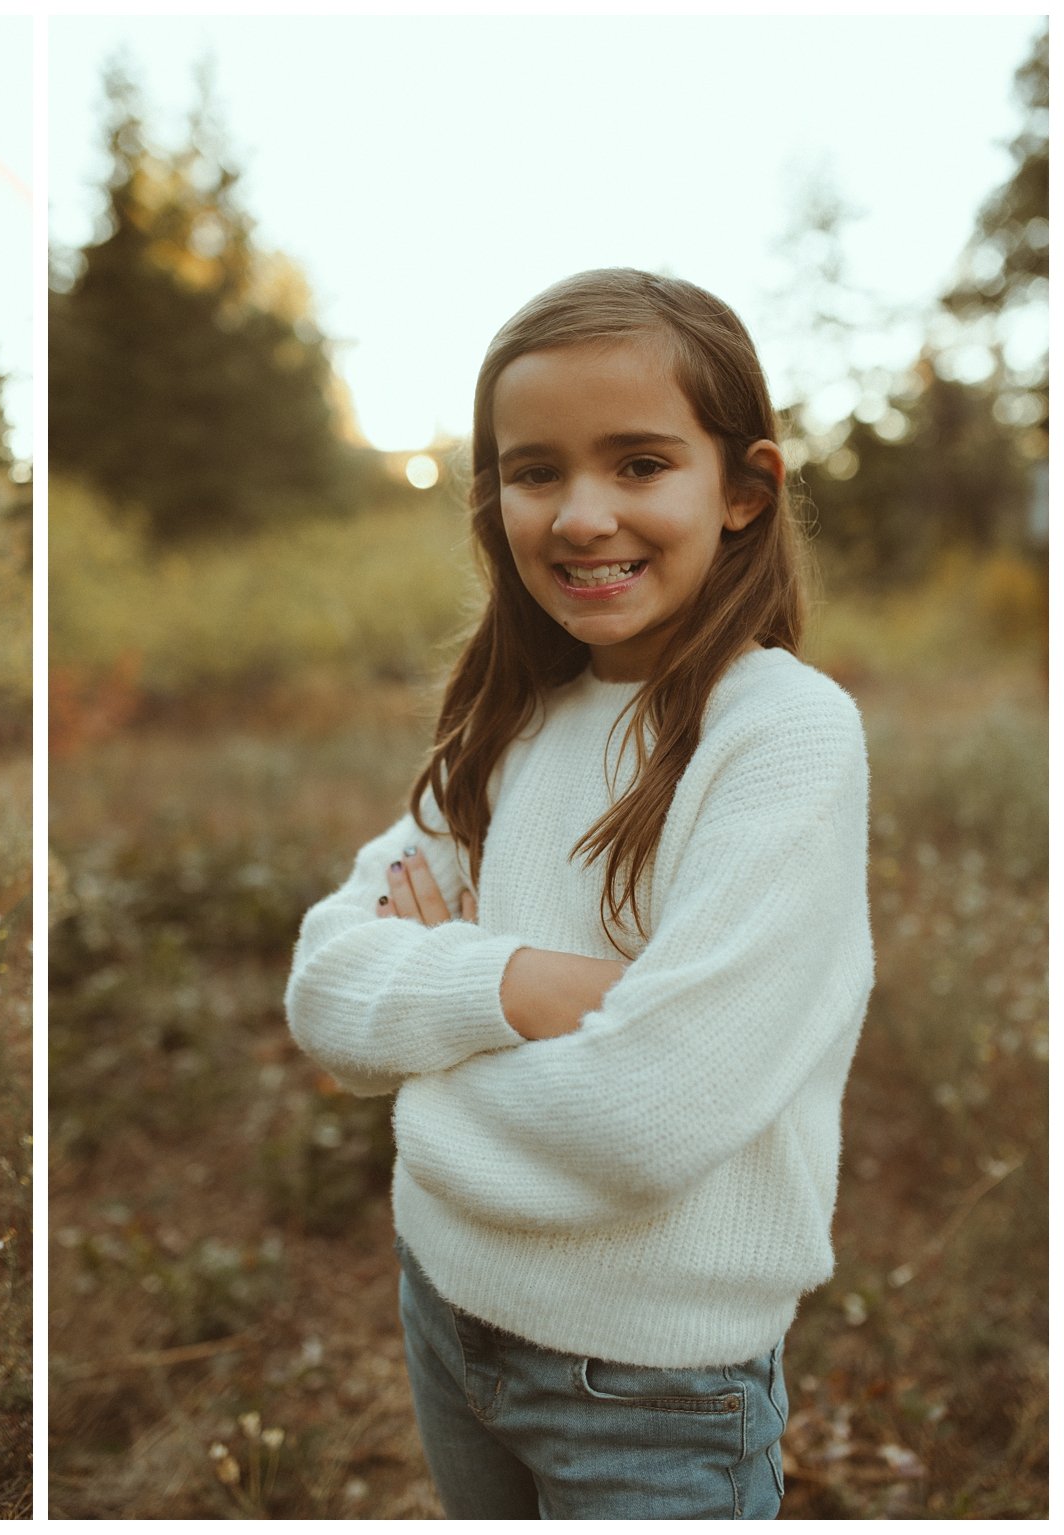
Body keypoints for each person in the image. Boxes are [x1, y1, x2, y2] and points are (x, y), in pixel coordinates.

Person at [284, 269, 873, 1520]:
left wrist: (420, 1065)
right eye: (533, 470)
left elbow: (645, 1113)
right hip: (445, 1305)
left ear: (742, 490)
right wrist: (514, 982)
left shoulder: (778, 737)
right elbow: (326, 988)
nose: (578, 513)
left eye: (640, 463)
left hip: (651, 1384)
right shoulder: (516, 722)